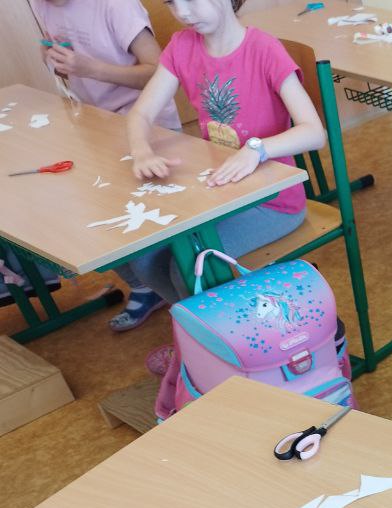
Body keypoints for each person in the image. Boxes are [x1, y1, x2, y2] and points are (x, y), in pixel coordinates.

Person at [122, 0, 324, 369]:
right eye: (172, 2)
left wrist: (257, 149)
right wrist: (141, 151)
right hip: (220, 194)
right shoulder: (182, 46)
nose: (182, 12)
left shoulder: (263, 49)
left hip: (274, 203)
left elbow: (314, 132)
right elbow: (141, 113)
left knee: (185, 266)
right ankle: (210, 337)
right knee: (144, 257)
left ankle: (224, 354)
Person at [31, 0, 180, 330]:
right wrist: (58, 62)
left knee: (142, 225)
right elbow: (70, 64)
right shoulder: (43, 5)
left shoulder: (115, 5)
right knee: (94, 219)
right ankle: (145, 286)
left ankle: (174, 289)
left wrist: (91, 69)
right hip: (98, 125)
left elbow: (161, 71)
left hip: (150, 128)